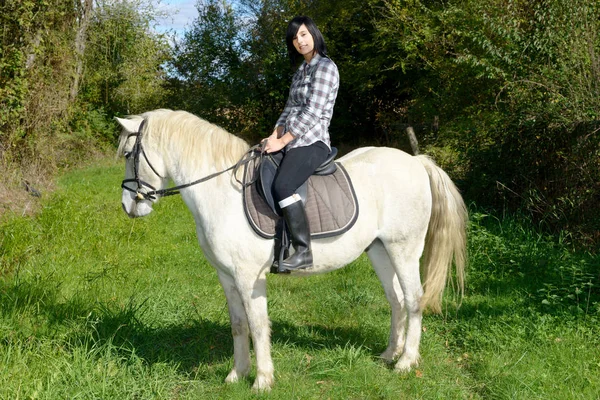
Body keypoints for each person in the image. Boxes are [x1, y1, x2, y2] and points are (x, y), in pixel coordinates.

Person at [263, 16, 339, 271]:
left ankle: (303, 251)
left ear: (314, 35)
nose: (300, 41)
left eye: (304, 34)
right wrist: (274, 135)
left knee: (283, 185)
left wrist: (283, 140)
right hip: (292, 141)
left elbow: (312, 111)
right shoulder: (301, 72)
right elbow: (288, 110)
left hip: (313, 141)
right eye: (295, 38)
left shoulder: (325, 68)